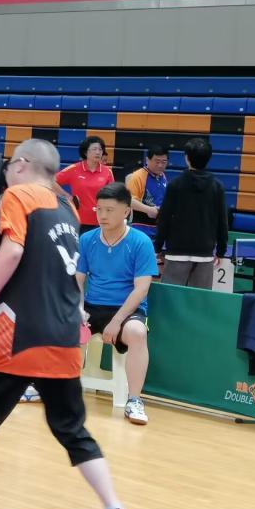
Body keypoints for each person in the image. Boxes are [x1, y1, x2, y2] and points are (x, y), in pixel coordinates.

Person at [0, 139, 138, 509]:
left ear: (23, 165)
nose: (7, 173)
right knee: (72, 429)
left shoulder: (19, 196)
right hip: (63, 336)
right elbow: (37, 262)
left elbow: (14, 252)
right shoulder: (66, 207)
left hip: (16, 335)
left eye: (10, 166)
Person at [77, 182, 158, 426]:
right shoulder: (87, 239)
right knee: (60, 322)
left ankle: (134, 400)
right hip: (92, 306)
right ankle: (51, 387)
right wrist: (77, 309)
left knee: (137, 333)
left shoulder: (141, 242)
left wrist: (116, 321)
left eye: (110, 210)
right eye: (99, 209)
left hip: (126, 310)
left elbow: (141, 288)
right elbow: (77, 281)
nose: (102, 215)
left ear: (126, 211)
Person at [154, 137, 228, 289]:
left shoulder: (175, 185)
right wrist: (221, 251)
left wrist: (157, 247)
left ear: (187, 158)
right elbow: (223, 221)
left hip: (176, 252)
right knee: (198, 300)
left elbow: (164, 218)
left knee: (172, 298)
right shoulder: (217, 186)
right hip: (205, 254)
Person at [55, 135, 114, 234]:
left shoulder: (107, 172)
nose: (98, 152)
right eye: (94, 149)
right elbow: (51, 181)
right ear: (86, 152)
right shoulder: (74, 169)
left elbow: (113, 195)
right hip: (77, 221)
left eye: (100, 149)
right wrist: (66, 196)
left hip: (100, 222)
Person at [125, 144, 169, 234]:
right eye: (157, 161)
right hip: (141, 227)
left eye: (164, 162)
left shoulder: (163, 176)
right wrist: (148, 210)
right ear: (147, 160)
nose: (160, 165)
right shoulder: (137, 176)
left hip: (159, 226)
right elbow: (129, 200)